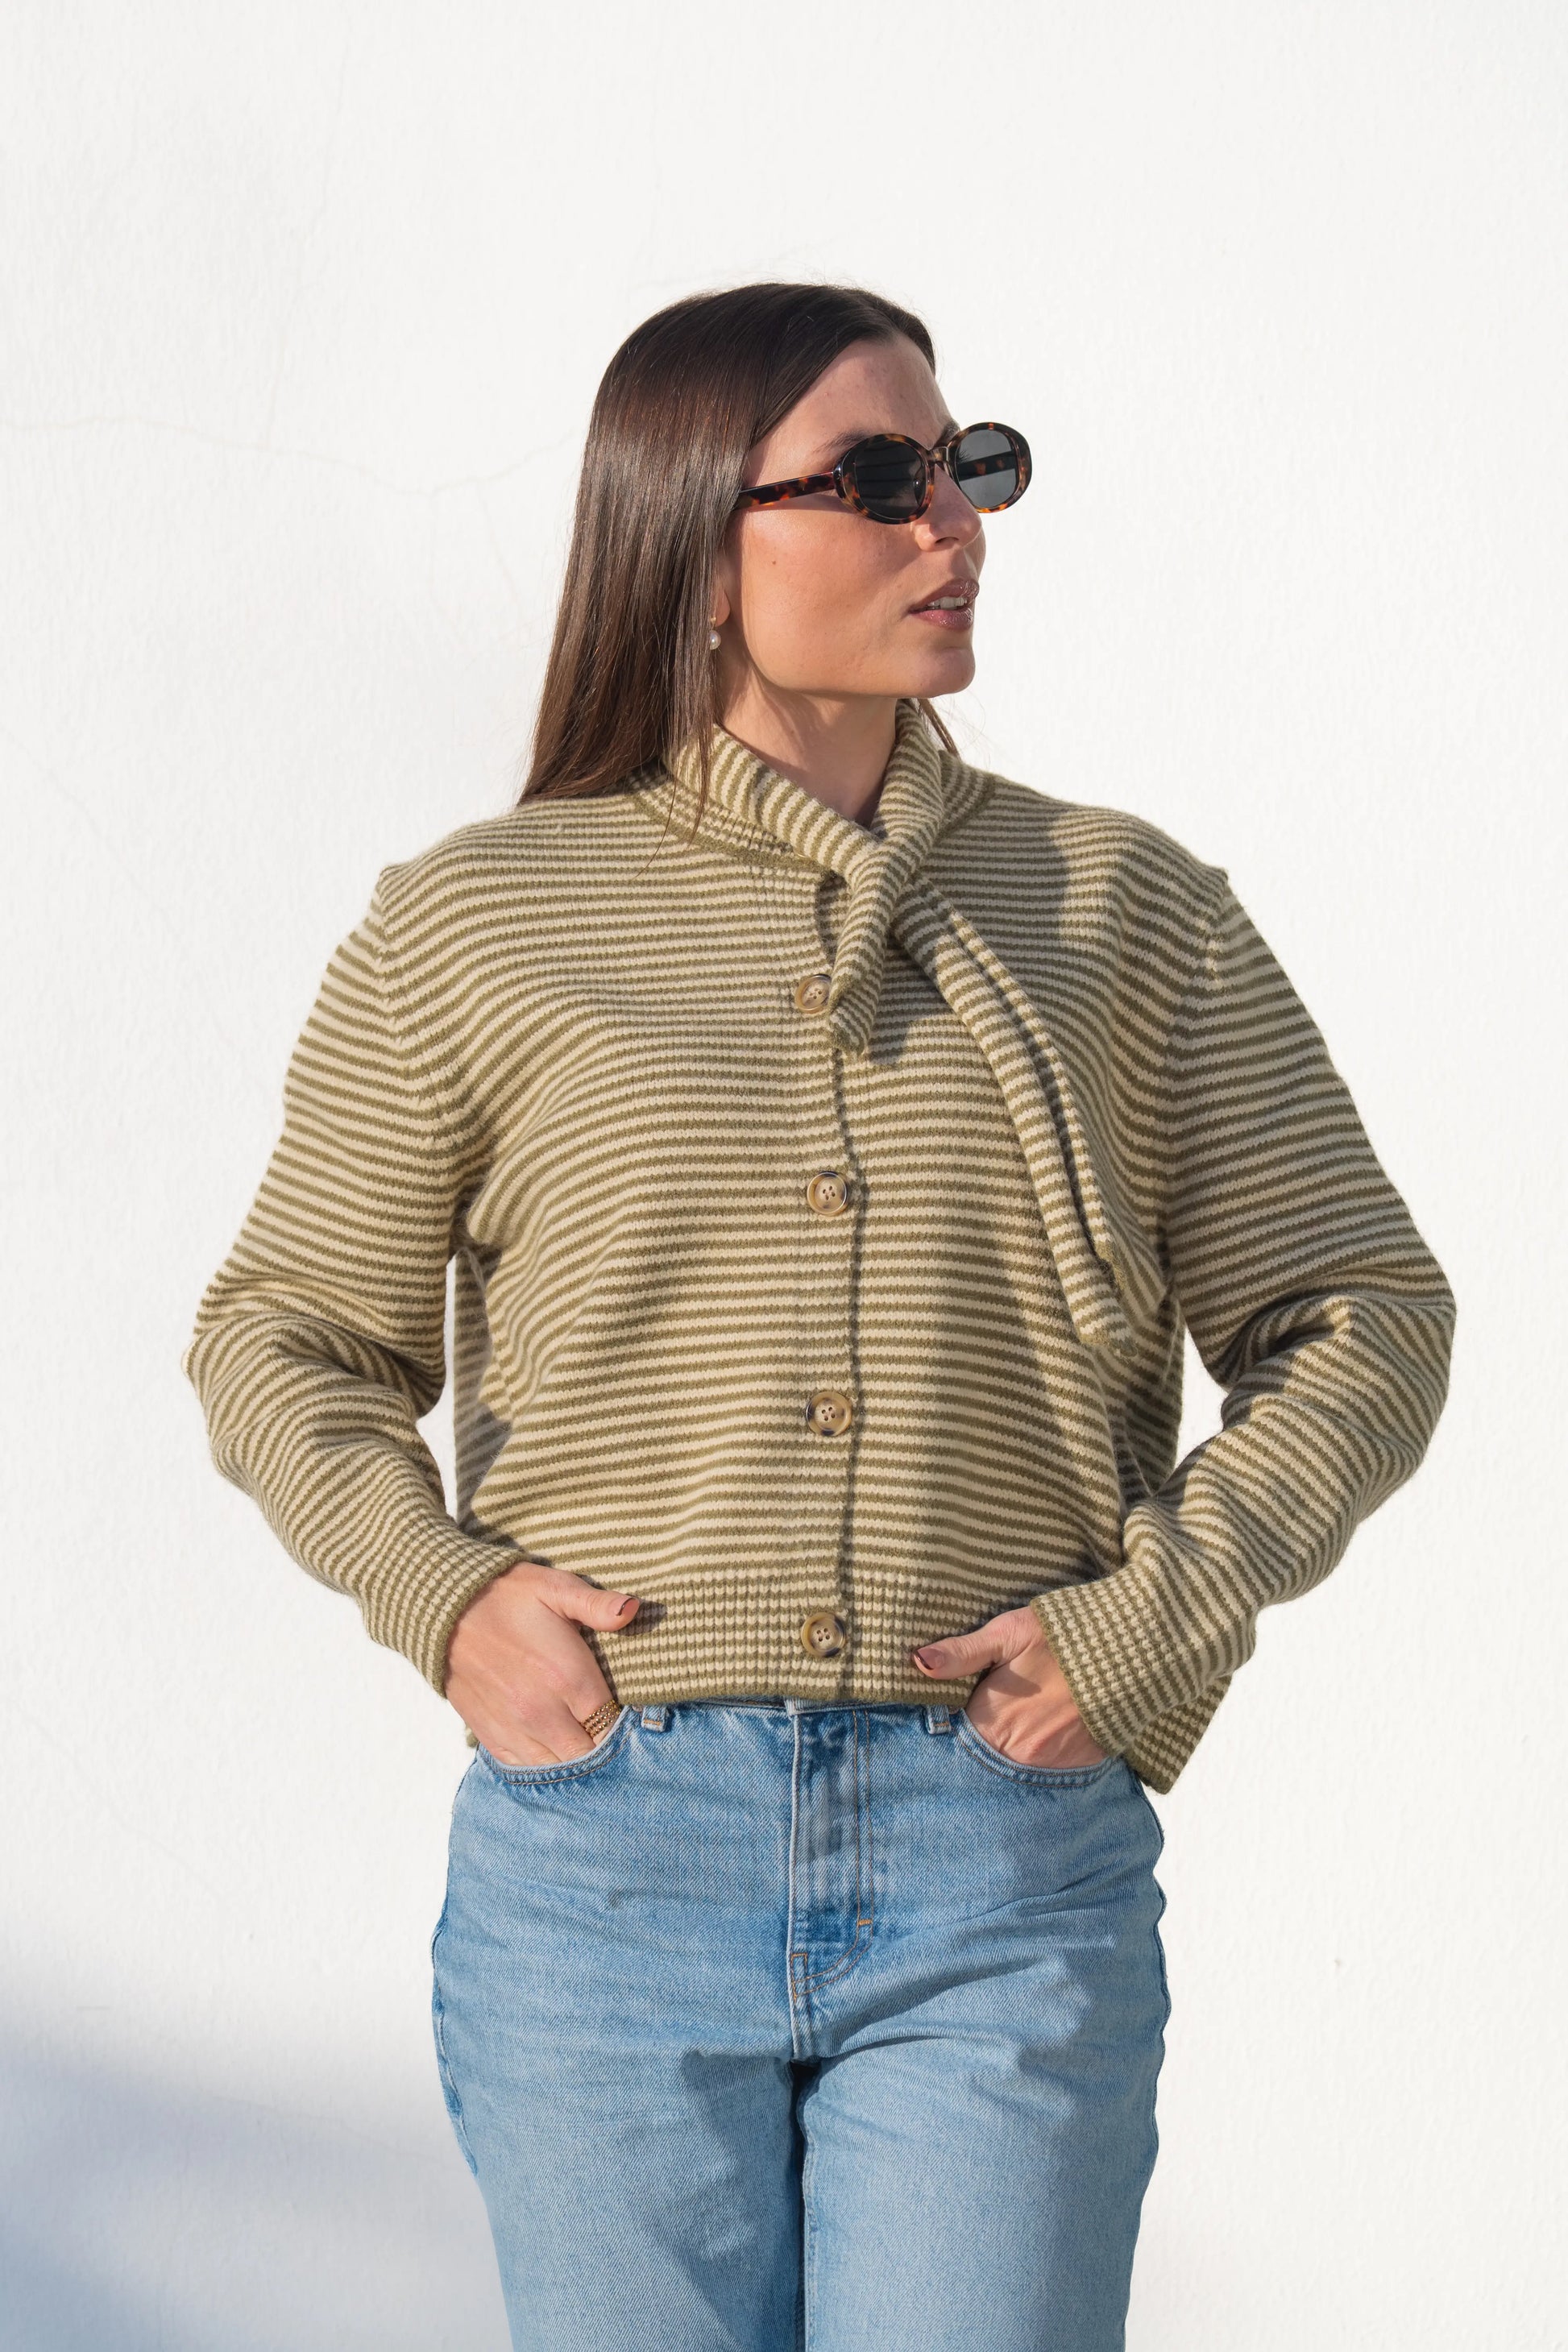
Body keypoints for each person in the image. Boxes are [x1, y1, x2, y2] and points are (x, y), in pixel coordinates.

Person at [182, 280, 1456, 2352]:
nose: (948, 522)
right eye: (875, 478)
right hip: (607, 1865)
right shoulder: (475, 920)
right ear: (693, 544)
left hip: (998, 1860)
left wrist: (1149, 1617)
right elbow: (284, 1335)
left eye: (965, 465)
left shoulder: (1124, 907)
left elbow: (1361, 1310)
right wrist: (446, 1593)